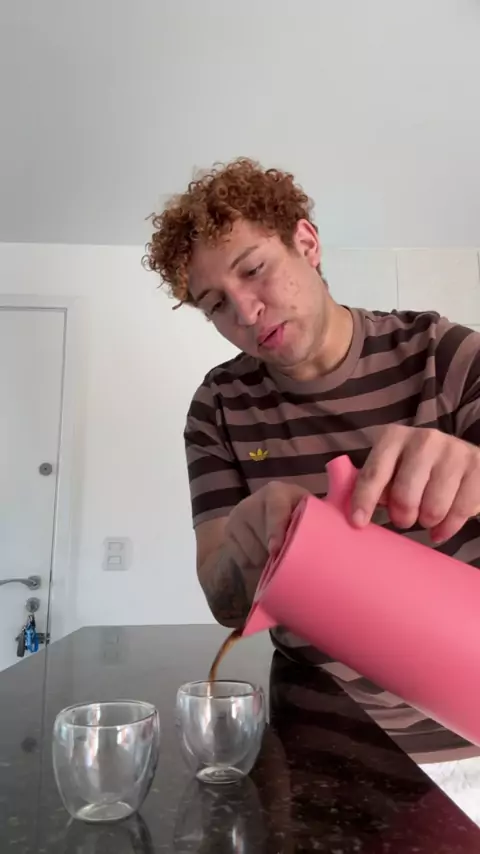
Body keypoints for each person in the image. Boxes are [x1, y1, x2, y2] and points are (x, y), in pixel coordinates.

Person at [145, 157, 480, 767]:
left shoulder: (446, 356)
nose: (246, 313)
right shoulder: (218, 406)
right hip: (314, 735)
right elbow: (226, 603)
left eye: (254, 270)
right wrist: (247, 550)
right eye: (216, 304)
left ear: (306, 242)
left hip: (463, 733)